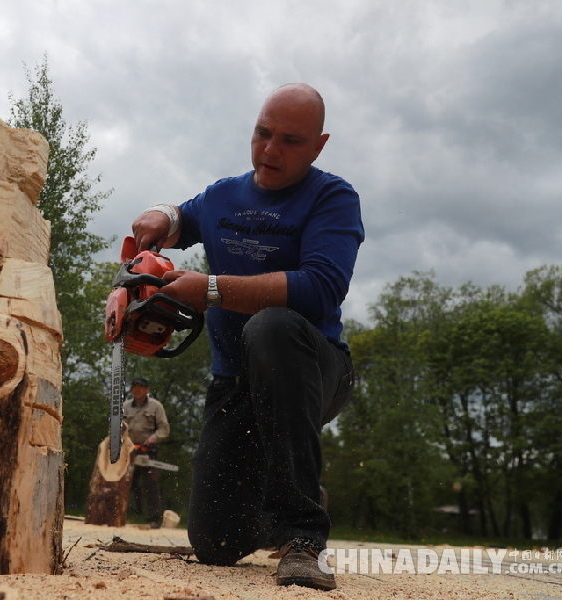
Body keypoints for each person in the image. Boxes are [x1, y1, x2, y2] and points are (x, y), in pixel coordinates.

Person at [130, 83, 364, 590]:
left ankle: (302, 535)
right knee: (215, 544)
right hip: (236, 382)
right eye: (262, 133)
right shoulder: (223, 196)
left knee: (272, 325)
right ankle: (276, 490)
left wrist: (210, 289)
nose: (270, 149)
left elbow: (320, 288)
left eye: (290, 140)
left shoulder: (333, 198)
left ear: (319, 145)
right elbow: (180, 219)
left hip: (314, 368)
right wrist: (161, 215)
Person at [122, 377, 170, 529]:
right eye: (135, 387)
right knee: (122, 484)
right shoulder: (125, 406)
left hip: (147, 451)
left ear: (147, 390)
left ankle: (154, 519)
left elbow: (164, 429)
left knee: (150, 485)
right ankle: (119, 515)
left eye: (141, 387)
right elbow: (116, 427)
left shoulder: (156, 406)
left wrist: (152, 439)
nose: (138, 390)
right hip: (128, 451)